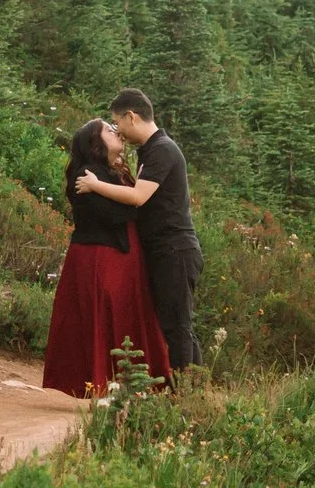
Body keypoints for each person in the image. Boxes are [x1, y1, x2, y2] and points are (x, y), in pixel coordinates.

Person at [40, 118, 172, 398]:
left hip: (119, 254)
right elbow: (120, 214)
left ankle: (132, 383)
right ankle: (101, 383)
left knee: (126, 313)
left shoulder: (109, 173)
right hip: (101, 256)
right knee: (103, 315)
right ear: (96, 143)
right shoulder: (88, 174)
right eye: (109, 130)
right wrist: (132, 200)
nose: (117, 132)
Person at [73, 88, 203, 371]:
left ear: (131, 116)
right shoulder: (150, 150)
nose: (118, 130)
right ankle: (188, 390)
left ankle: (187, 395)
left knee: (178, 327)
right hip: (162, 250)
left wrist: (95, 185)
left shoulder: (163, 150)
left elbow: (137, 197)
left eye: (117, 122)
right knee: (170, 325)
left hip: (175, 249)